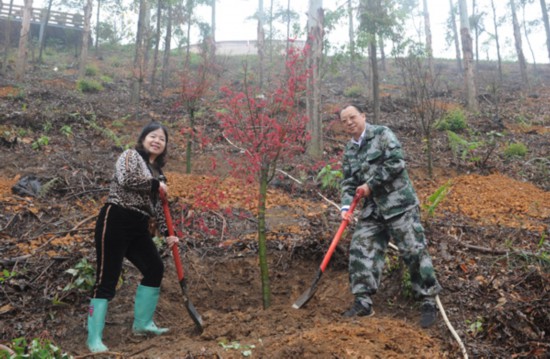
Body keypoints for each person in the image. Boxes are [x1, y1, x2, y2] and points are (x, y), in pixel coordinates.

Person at [338, 104, 442, 328]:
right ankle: (363, 302)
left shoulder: (383, 134)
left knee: (414, 250)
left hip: (399, 204)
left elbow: (396, 162)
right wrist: (346, 207)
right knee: (360, 247)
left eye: (352, 117)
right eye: (344, 120)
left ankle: (427, 300)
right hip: (374, 210)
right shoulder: (349, 150)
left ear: (363, 116)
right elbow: (348, 183)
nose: (349, 122)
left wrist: (370, 186)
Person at [86, 122, 180, 353]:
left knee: (155, 268)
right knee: (107, 276)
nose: (157, 141)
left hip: (139, 225)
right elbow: (127, 178)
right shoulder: (130, 156)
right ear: (143, 138)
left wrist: (169, 234)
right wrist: (155, 185)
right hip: (116, 218)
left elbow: (158, 208)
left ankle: (143, 325)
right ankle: (94, 339)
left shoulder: (159, 173)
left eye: (162, 139)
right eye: (152, 136)